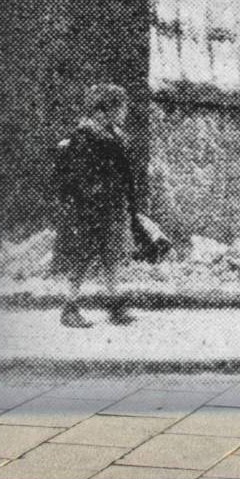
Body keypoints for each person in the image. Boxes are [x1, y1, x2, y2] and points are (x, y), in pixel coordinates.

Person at [49, 82, 145, 329]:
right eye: (122, 108)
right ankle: (69, 308)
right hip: (90, 210)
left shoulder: (114, 135)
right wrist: (96, 200)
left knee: (111, 255)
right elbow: (81, 179)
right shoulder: (85, 137)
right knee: (83, 257)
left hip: (111, 207)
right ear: (106, 110)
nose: (125, 113)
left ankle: (114, 305)